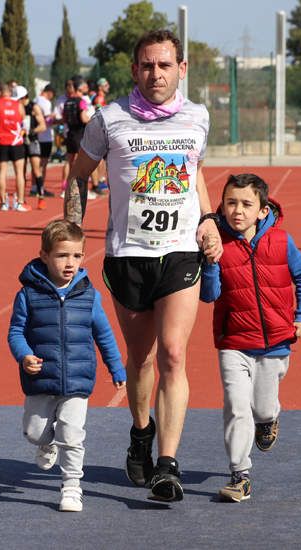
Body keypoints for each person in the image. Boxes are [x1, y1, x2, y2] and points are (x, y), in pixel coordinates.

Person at [63, 29, 222, 502]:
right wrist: (71, 235)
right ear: (135, 70)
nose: (156, 74)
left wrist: (210, 219)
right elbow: (77, 177)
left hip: (179, 253)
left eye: (165, 65)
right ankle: (140, 432)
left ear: (182, 69)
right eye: (148, 66)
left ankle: (168, 465)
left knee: (174, 352)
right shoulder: (108, 120)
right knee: (143, 358)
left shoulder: (197, 117)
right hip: (128, 256)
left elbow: (194, 172)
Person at [199, 173, 301, 503]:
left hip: (276, 342)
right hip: (234, 341)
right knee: (237, 407)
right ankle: (240, 474)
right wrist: (210, 264)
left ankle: (268, 419)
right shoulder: (216, 241)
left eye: (247, 204)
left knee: (262, 407)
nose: (237, 210)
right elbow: (209, 296)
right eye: (231, 203)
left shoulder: (281, 241)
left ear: (263, 210)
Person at [7, 220, 127, 512]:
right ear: (44, 255)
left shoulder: (89, 295)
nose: (70, 263)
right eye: (62, 256)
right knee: (34, 431)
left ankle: (72, 486)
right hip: (42, 379)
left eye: (76, 256)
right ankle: (46, 443)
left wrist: (116, 367)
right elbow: (16, 332)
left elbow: (103, 333)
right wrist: (24, 355)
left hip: (78, 379)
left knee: (72, 434)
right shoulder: (28, 295)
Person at [0, 82, 30, 211]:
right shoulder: (19, 105)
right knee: (19, 173)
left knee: (2, 172)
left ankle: (3, 204)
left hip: (1, 142)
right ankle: (20, 203)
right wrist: (21, 134)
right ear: (10, 93)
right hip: (16, 142)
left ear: (0, 92)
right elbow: (26, 125)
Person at [60, 76, 91, 199]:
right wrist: (93, 121)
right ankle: (78, 189)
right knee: (80, 162)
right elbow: (84, 119)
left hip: (70, 134)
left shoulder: (67, 102)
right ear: (79, 88)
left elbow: (64, 119)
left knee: (68, 161)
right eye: (83, 86)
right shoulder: (81, 101)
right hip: (79, 134)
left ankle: (65, 188)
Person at [20, 88, 48, 208]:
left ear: (24, 97)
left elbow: (43, 126)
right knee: (21, 171)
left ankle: (41, 197)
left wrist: (32, 131)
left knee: (36, 170)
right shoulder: (17, 107)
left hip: (32, 141)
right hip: (20, 141)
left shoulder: (34, 107)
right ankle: (21, 199)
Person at [31, 84, 57, 201]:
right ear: (49, 93)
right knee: (43, 164)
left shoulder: (35, 100)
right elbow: (47, 119)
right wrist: (55, 117)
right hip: (45, 137)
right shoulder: (46, 102)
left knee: (35, 163)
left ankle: (33, 186)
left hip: (36, 136)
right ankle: (40, 187)